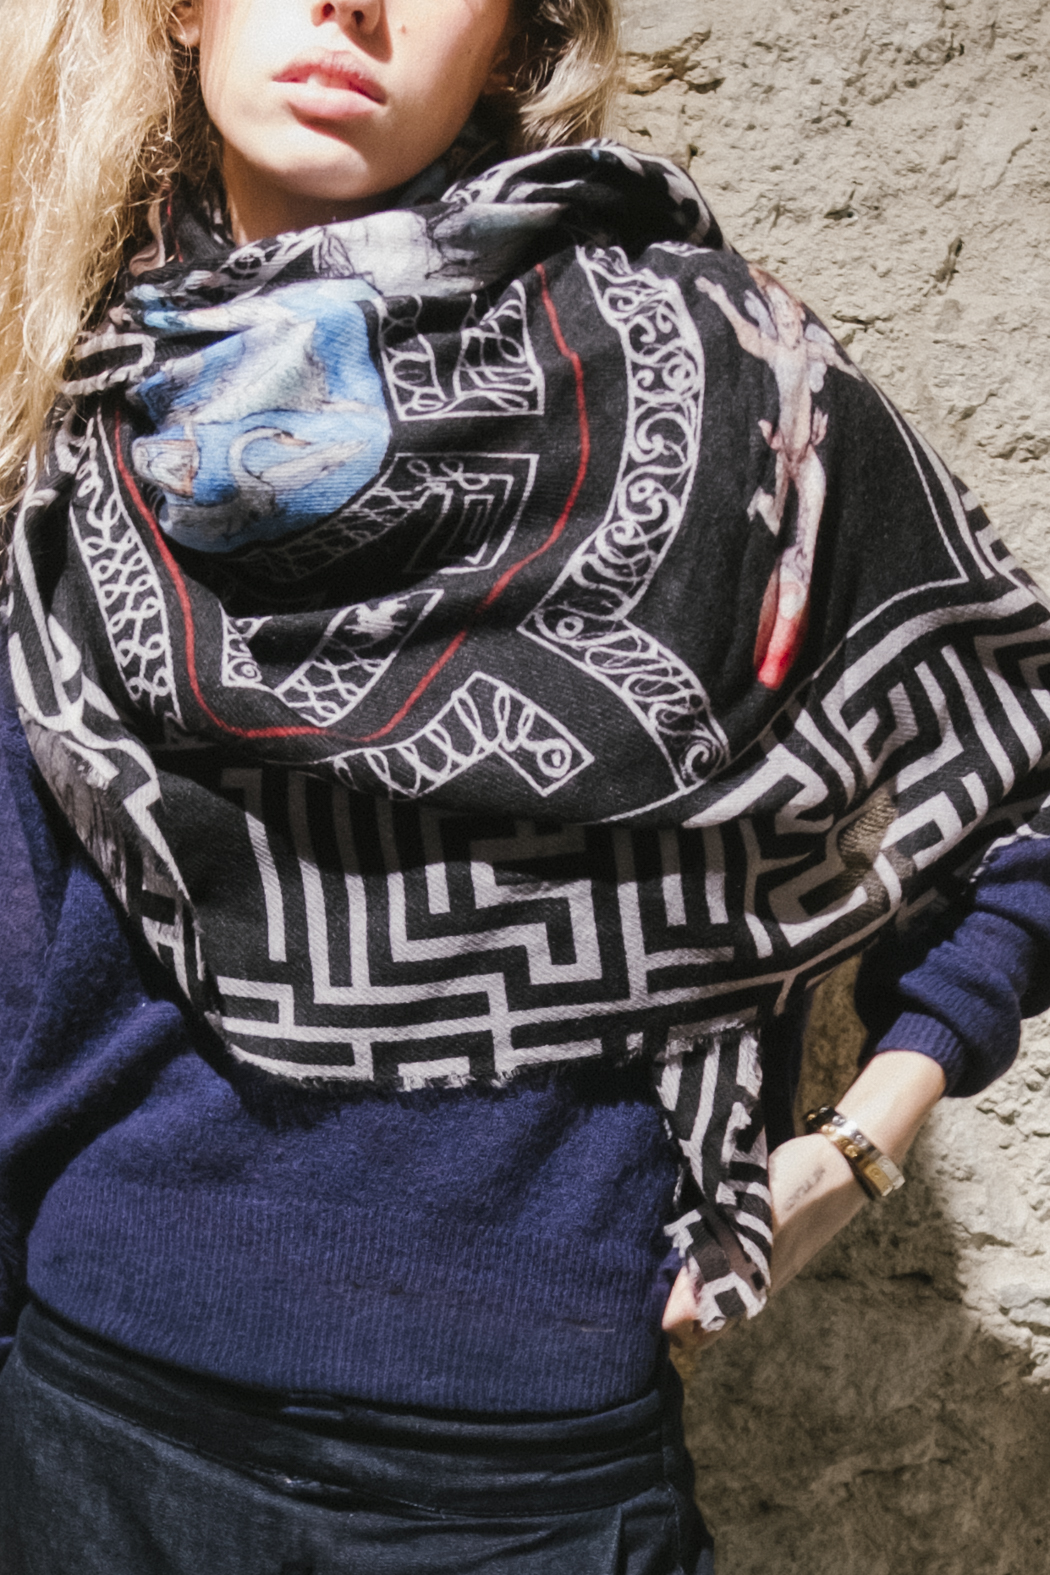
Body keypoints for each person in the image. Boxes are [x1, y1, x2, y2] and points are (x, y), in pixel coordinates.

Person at [1, 1, 1049, 1571]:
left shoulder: (732, 381)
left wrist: (861, 1141)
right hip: (85, 1424)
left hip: (519, 1481)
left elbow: (1014, 764)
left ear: (512, 41)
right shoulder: (84, 391)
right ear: (186, 11)